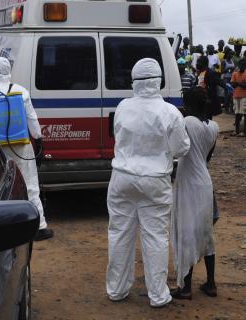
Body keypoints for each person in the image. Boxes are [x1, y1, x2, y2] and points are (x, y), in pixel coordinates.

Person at [106, 58, 190, 308]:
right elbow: (181, 148)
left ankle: (117, 290)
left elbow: (118, 135)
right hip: (155, 180)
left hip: (121, 177)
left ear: (134, 81)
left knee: (119, 234)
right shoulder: (169, 112)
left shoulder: (122, 106)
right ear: (159, 81)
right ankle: (158, 295)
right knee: (155, 237)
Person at [0, 57, 53, 241]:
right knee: (31, 185)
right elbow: (32, 119)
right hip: (22, 147)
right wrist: (39, 140)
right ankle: (40, 227)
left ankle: (0, 230)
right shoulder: (21, 91)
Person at [170, 86, 219, 300]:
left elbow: (177, 148)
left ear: (188, 105)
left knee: (186, 232)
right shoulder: (214, 127)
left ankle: (186, 287)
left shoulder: (187, 123)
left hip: (188, 181)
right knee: (206, 234)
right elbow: (206, 158)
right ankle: (210, 283)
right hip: (204, 182)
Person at [231, 59, 246, 136]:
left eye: (244, 65)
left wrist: (238, 83)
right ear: (238, 65)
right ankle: (236, 131)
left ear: (245, 66)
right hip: (236, 95)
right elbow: (233, 84)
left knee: (245, 114)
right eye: (241, 65)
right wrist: (242, 83)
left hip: (244, 96)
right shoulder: (234, 74)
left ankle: (245, 132)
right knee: (237, 114)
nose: (242, 66)